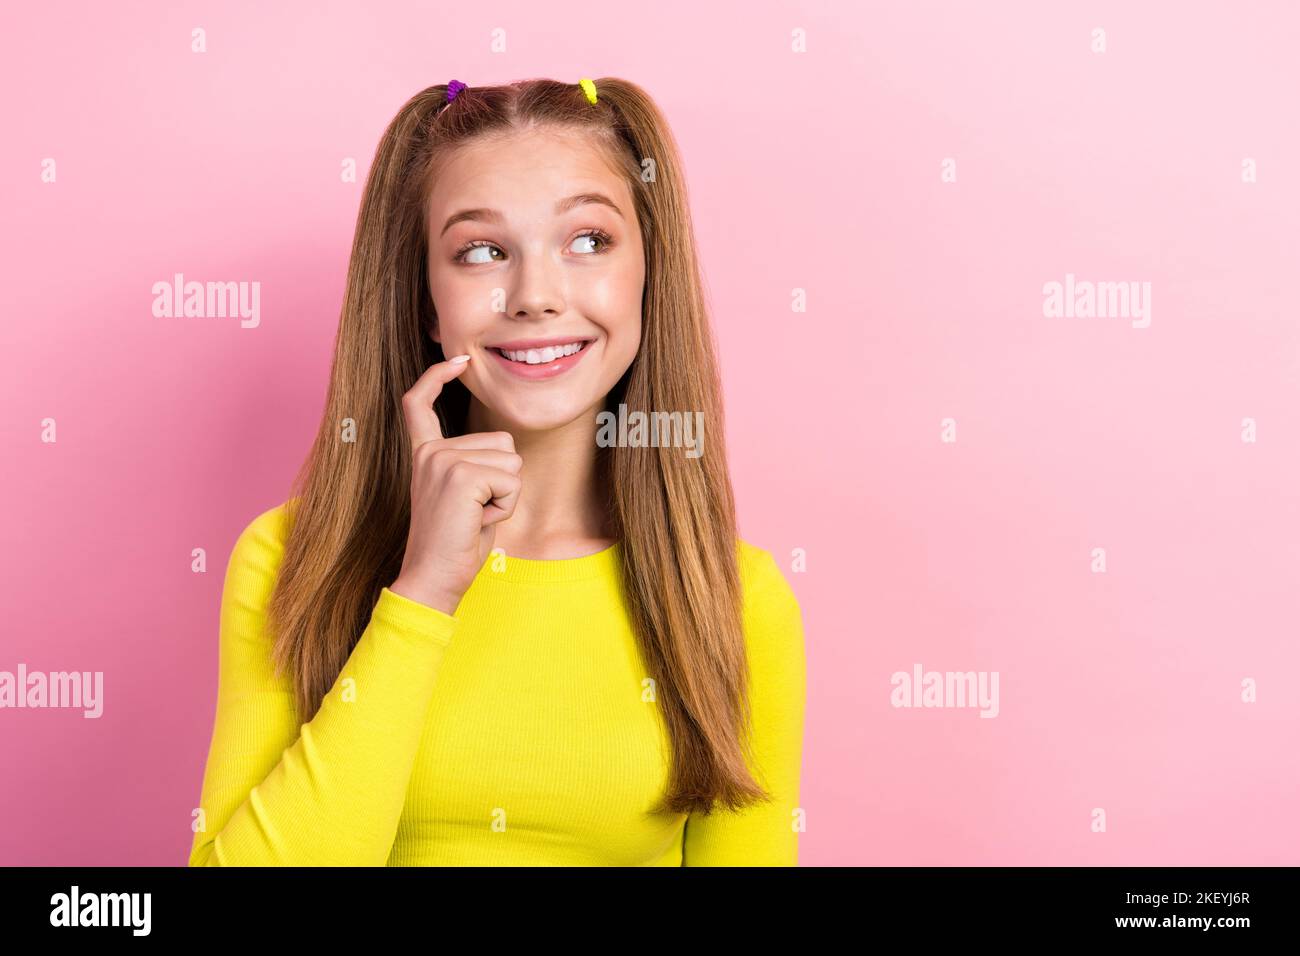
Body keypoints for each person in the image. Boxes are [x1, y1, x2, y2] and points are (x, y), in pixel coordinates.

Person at [188, 77, 806, 866]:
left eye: (589, 240)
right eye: (482, 251)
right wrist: (422, 595)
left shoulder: (736, 601)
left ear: (650, 271)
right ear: (424, 299)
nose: (536, 297)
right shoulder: (287, 560)